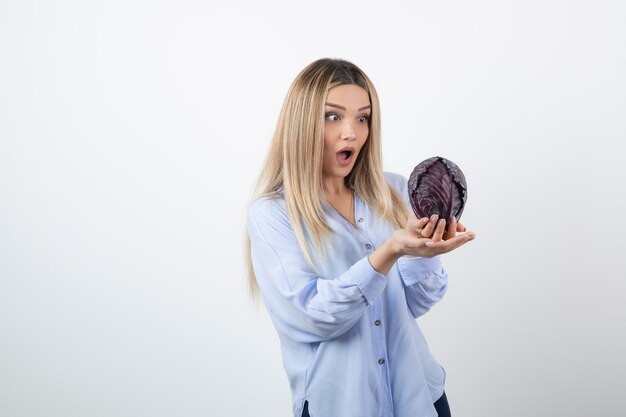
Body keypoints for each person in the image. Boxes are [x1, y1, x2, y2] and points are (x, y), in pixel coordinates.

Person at [245, 58, 475, 417]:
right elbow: (312, 316)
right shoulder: (272, 214)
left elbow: (418, 302)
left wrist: (425, 252)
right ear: (301, 123)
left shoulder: (396, 191)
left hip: (419, 397)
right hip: (338, 405)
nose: (351, 132)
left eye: (362, 117)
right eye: (332, 116)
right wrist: (388, 252)